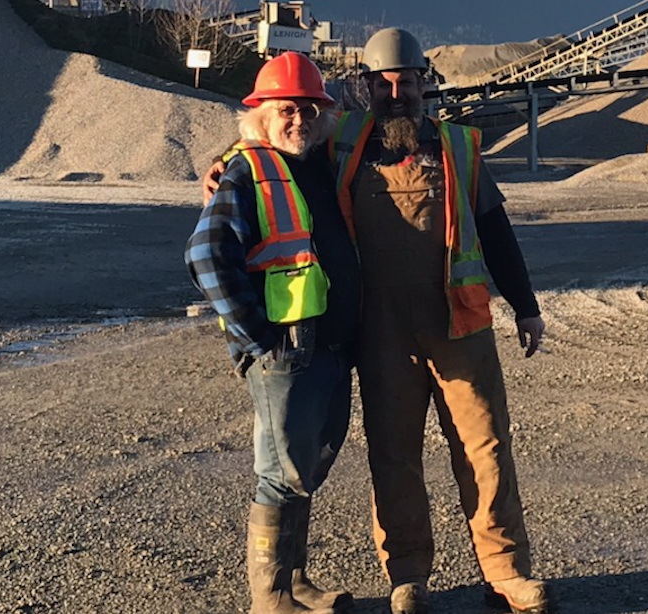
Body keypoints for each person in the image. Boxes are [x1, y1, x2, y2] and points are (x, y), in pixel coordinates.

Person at [203, 29, 549, 614]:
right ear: (365, 87)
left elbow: (495, 229)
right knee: (393, 456)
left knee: (486, 451)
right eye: (384, 84)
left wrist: (526, 304)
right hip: (381, 331)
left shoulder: (459, 146)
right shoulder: (345, 142)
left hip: (459, 324)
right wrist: (224, 160)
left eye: (406, 82)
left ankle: (508, 574)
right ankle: (408, 577)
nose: (396, 93)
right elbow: (279, 134)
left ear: (423, 84)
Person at [186, 51, 359, 614]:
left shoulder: (316, 164)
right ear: (261, 115)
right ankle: (272, 596)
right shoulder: (246, 170)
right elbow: (206, 255)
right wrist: (257, 336)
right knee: (280, 474)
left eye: (309, 110)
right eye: (287, 109)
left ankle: (296, 581)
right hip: (286, 352)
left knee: (307, 465)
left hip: (327, 347)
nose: (299, 120)